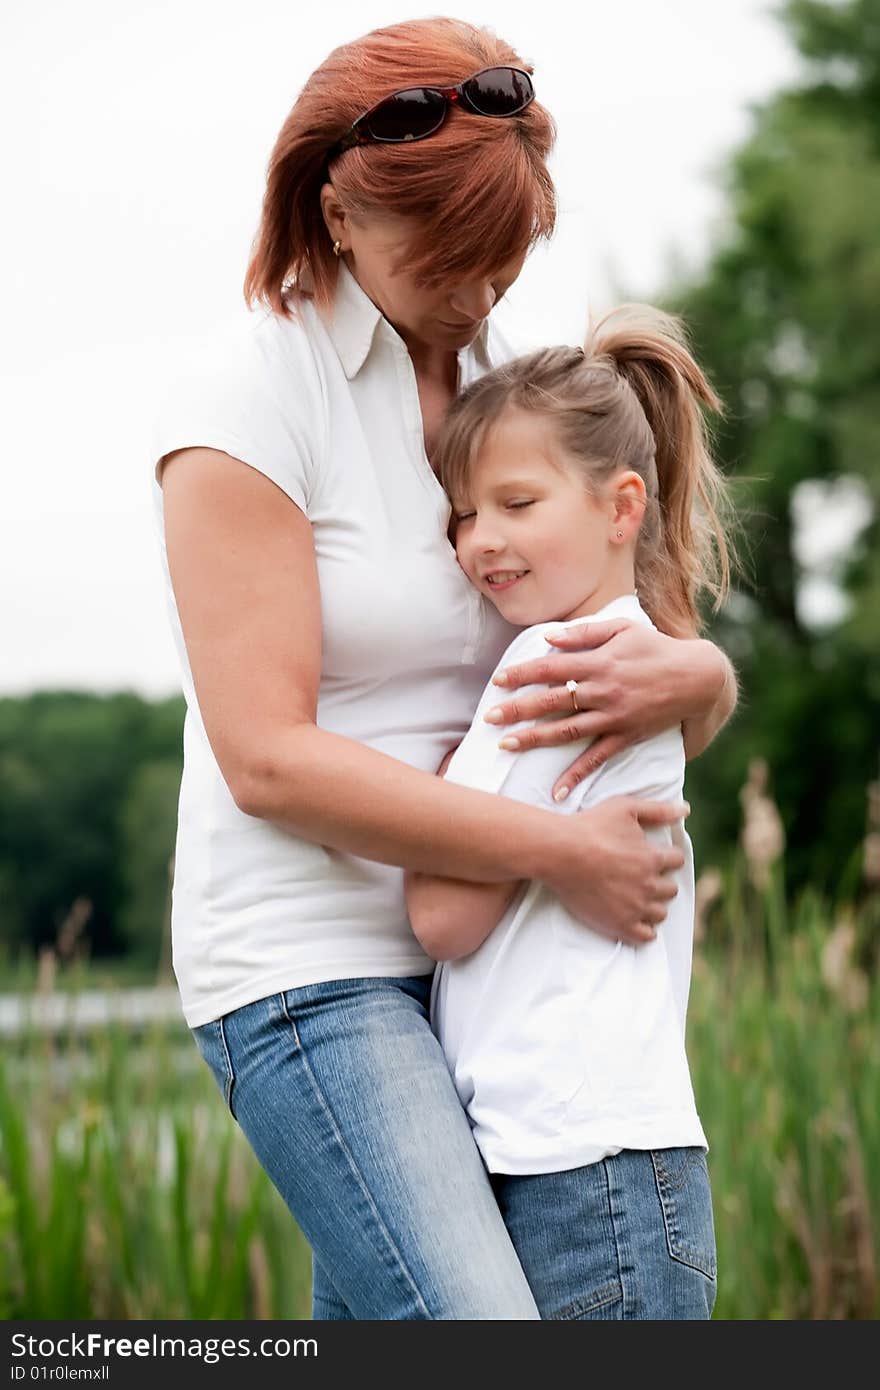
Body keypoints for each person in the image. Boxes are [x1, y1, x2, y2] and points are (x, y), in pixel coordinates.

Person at [150, 17, 737, 1320]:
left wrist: (701, 681)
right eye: (447, 255)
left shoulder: (499, 389)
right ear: (337, 210)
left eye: (504, 256)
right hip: (313, 965)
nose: (478, 292)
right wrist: (562, 854)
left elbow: (619, 653)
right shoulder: (248, 393)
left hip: (486, 978)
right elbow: (268, 759)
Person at [407, 306, 730, 1319]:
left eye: (515, 502)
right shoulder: (642, 655)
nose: (480, 540)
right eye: (462, 514)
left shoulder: (549, 666)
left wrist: (433, 792)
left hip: (575, 1168)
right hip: (622, 1161)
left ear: (619, 506)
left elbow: (442, 918)